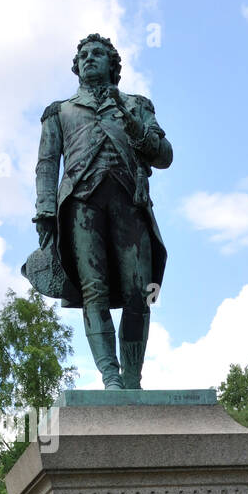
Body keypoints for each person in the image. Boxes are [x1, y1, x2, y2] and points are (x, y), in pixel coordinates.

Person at [22, 33, 172, 389]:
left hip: (130, 203)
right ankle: (111, 377)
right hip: (81, 205)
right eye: (84, 55)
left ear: (112, 64)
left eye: (98, 54)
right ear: (77, 67)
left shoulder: (136, 105)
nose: (89, 59)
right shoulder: (59, 111)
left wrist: (133, 125)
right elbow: (46, 164)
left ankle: (133, 379)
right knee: (94, 291)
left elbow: (163, 156)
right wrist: (45, 209)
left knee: (140, 290)